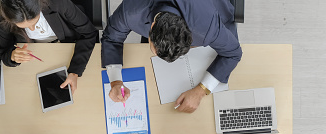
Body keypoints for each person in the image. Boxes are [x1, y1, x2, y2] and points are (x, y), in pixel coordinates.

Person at [102, 0, 242, 113]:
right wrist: (115, 81)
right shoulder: (131, 11)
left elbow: (233, 53)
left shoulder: (207, 25)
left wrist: (201, 91)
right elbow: (111, 38)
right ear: (152, 26)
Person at [0, 0, 98, 93]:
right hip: (34, 54)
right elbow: (4, 52)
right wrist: (12, 56)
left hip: (67, 45)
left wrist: (75, 71)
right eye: (25, 27)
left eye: (35, 22)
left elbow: (89, 33)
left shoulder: (59, 3)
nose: (32, 29)